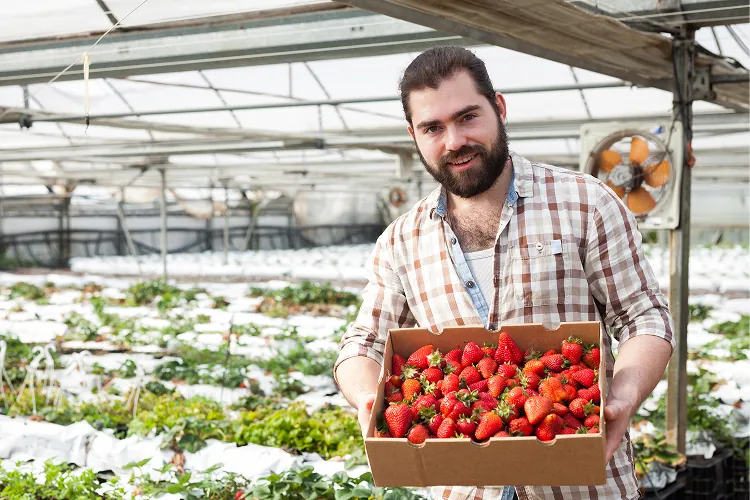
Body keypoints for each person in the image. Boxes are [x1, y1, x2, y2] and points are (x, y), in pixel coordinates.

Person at [333, 46, 674, 500]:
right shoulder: (400, 240)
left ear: (499, 108)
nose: (453, 141)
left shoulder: (585, 203)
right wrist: (366, 398)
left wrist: (623, 396)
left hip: (583, 485)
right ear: (413, 134)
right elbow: (365, 343)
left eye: (467, 117)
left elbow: (645, 317)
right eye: (433, 127)